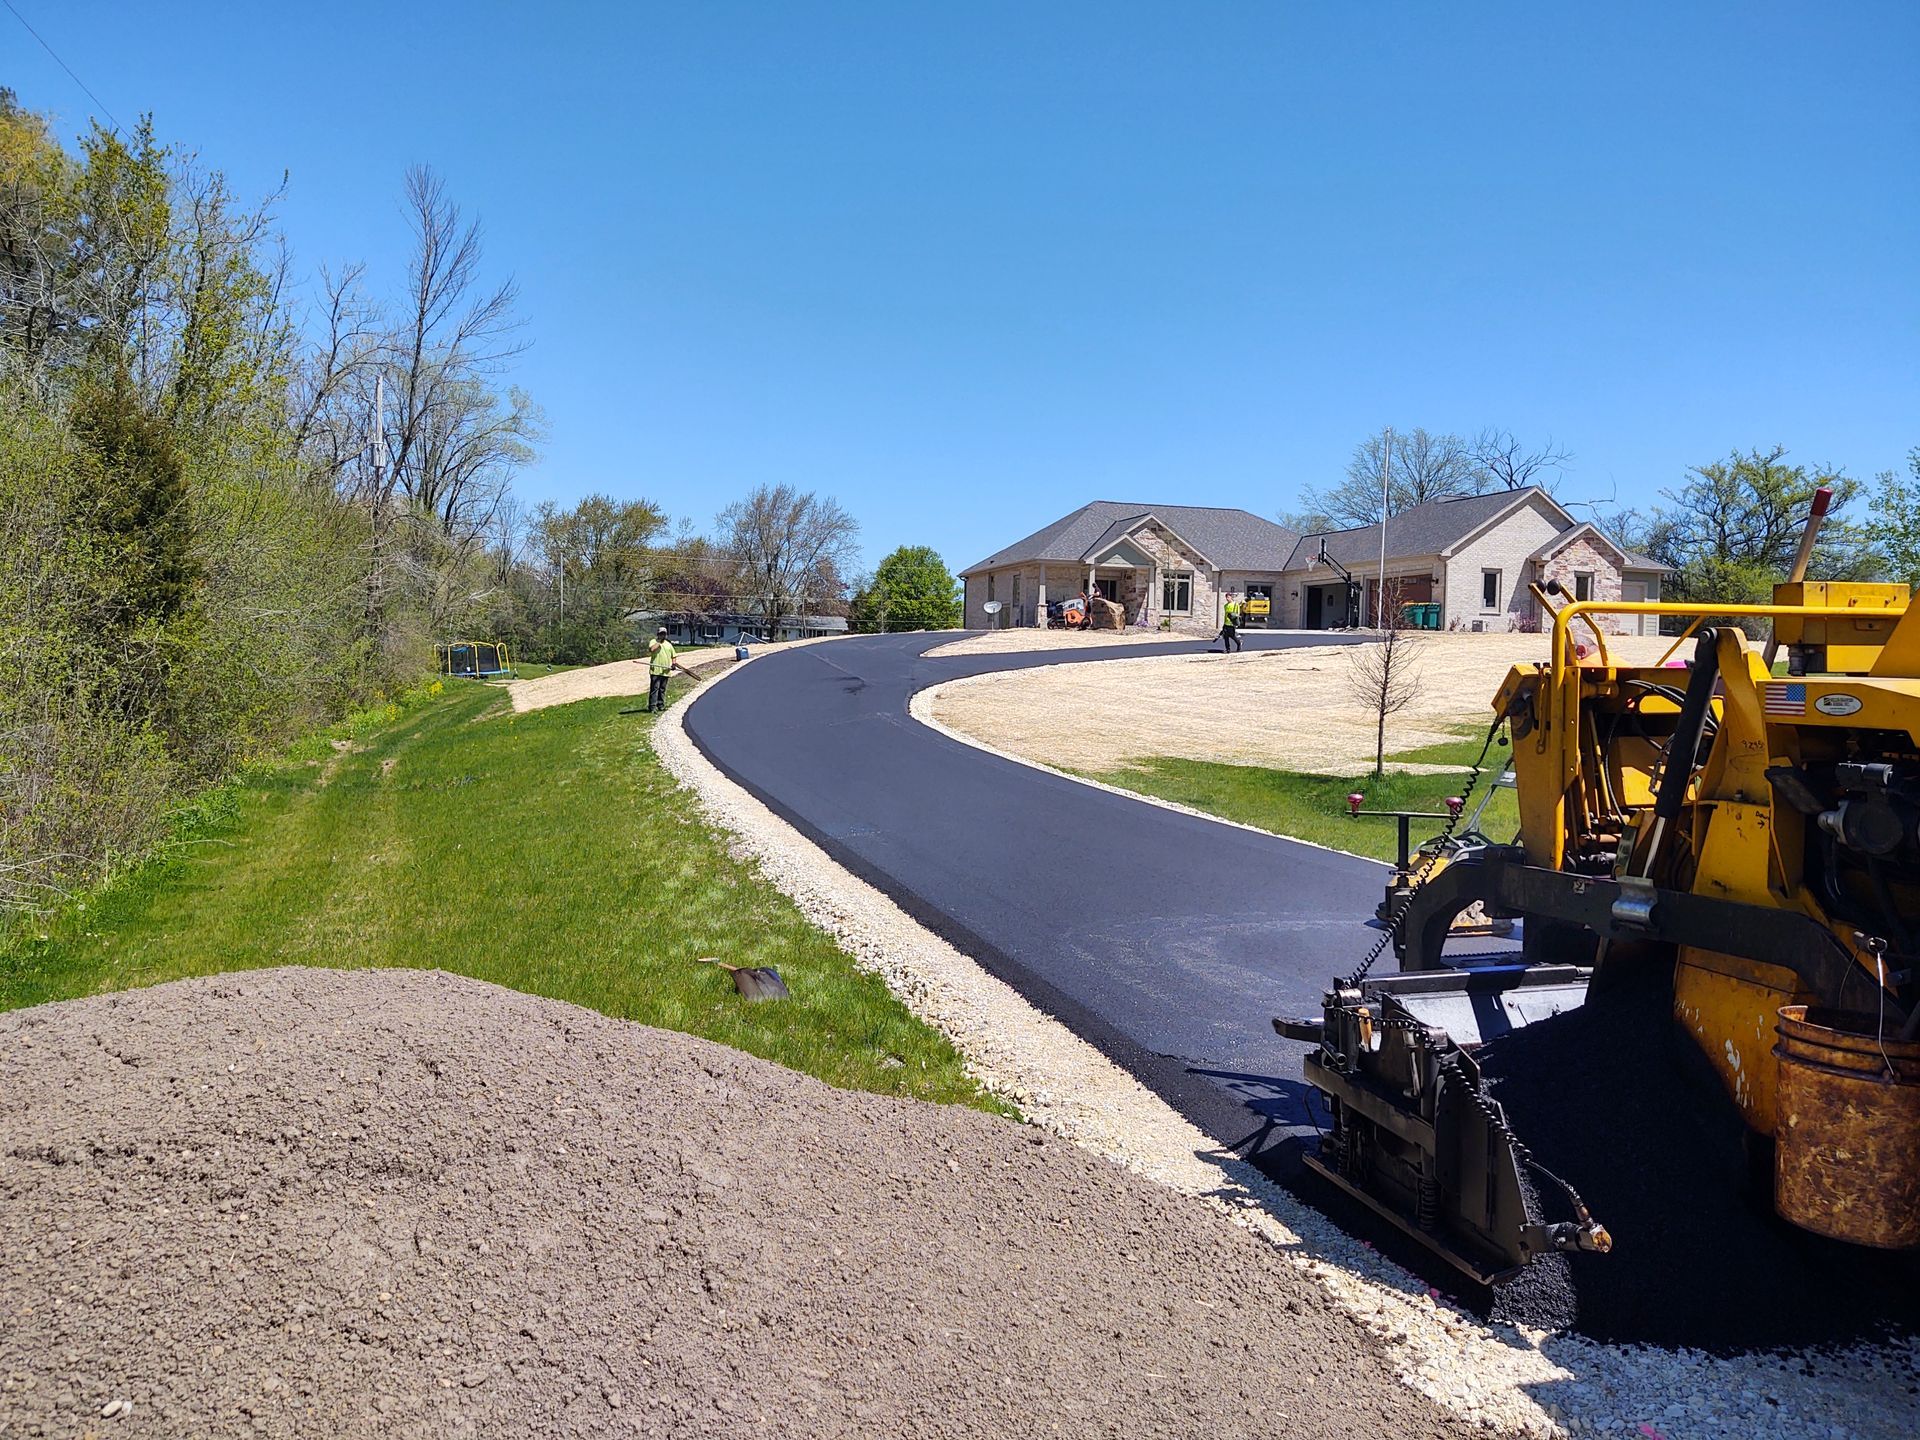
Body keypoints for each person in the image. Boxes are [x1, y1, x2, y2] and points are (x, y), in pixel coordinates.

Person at [645, 627, 690, 712]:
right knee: (655, 689)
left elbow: (673, 656)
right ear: (658, 634)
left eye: (664, 634)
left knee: (662, 689)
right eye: (661, 634)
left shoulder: (669, 644)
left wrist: (673, 664)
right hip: (656, 670)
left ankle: (661, 705)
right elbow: (651, 649)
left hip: (666, 671)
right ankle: (652, 707)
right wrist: (659, 642)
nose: (663, 635)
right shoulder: (654, 642)